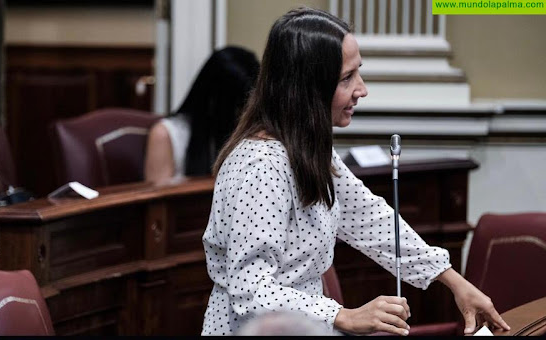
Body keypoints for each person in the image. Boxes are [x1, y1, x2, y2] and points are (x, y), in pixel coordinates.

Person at [201, 7, 511, 336]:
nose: (361, 89)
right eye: (346, 78)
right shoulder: (260, 166)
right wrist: (343, 315)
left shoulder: (309, 149)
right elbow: (250, 290)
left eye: (357, 73)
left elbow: (372, 220)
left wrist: (452, 280)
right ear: (309, 87)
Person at [144, 47, 260, 185]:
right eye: (238, 105)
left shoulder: (248, 134)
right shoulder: (166, 134)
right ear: (214, 99)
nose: (242, 114)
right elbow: (158, 201)